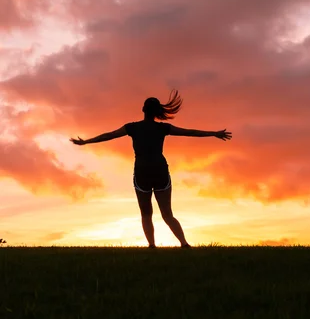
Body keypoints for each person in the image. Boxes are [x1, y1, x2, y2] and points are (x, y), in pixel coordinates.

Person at [70, 90, 232, 248]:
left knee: (146, 214)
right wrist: (213, 133)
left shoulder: (133, 127)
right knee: (167, 214)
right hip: (159, 171)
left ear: (143, 110)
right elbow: (190, 132)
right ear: (157, 112)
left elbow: (108, 135)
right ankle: (184, 244)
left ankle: (152, 245)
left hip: (142, 172)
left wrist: (86, 142)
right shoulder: (162, 128)